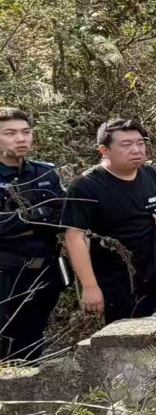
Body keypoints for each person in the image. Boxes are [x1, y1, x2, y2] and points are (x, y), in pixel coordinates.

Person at [63, 119, 156, 323]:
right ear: (104, 151)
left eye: (140, 143)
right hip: (123, 278)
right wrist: (90, 286)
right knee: (129, 343)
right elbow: (74, 237)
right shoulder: (85, 186)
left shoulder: (148, 173)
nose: (136, 150)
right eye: (126, 145)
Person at [0, 109, 67, 361]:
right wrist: (40, 214)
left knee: (31, 340)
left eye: (26, 132)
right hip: (6, 272)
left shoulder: (45, 172)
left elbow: (63, 216)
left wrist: (26, 218)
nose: (21, 138)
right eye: (10, 133)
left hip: (43, 271)